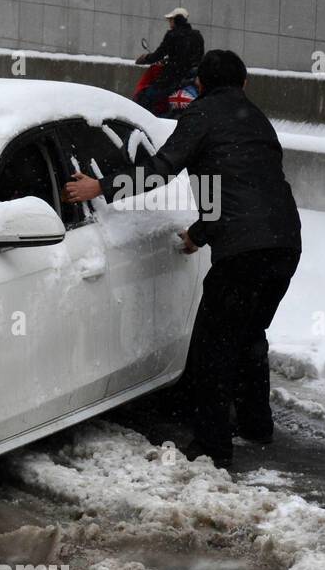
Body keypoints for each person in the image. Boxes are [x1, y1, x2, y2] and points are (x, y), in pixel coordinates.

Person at [64, 50, 302, 468]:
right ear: (244, 83)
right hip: (284, 244)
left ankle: (212, 447)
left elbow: (161, 169)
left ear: (200, 85)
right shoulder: (256, 120)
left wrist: (100, 187)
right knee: (249, 333)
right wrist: (199, 234)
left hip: (243, 253)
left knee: (214, 348)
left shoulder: (201, 115)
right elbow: (222, 182)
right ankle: (255, 424)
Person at [135, 6, 203, 113]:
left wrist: (145, 58)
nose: (169, 23)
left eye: (170, 20)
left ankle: (145, 121)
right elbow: (197, 56)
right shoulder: (197, 35)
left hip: (173, 78)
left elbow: (159, 54)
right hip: (191, 78)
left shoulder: (172, 35)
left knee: (145, 96)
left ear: (175, 20)